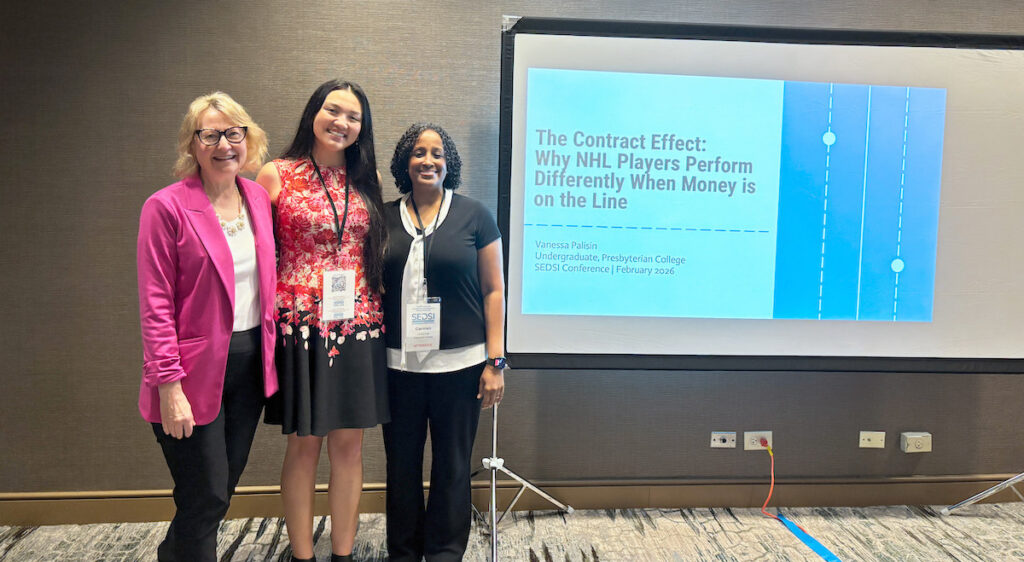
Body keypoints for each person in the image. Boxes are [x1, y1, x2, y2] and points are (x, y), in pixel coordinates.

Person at [136, 91, 277, 562]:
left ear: (247, 138)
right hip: (191, 373)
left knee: (218, 492)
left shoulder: (257, 198)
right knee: (206, 496)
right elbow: (155, 303)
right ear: (192, 144)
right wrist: (168, 384)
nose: (224, 144)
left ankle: (171, 555)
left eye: (233, 133)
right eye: (210, 134)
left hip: (251, 366)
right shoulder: (166, 207)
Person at [257, 79, 389, 562]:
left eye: (354, 117)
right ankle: (302, 555)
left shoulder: (365, 179)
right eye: (334, 111)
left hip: (359, 326)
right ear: (314, 112)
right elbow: (251, 253)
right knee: (305, 445)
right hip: (299, 327)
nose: (343, 123)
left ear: (362, 128)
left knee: (350, 446)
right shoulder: (277, 173)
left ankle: (343, 554)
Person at [382, 123, 506, 561]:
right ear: (404, 163)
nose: (428, 160)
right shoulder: (382, 218)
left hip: (462, 366)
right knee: (401, 468)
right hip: (397, 367)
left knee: (453, 468)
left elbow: (494, 291)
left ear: (447, 163)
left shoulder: (475, 215)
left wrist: (496, 362)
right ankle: (403, 551)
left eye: (437, 153)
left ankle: (444, 552)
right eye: (418, 152)